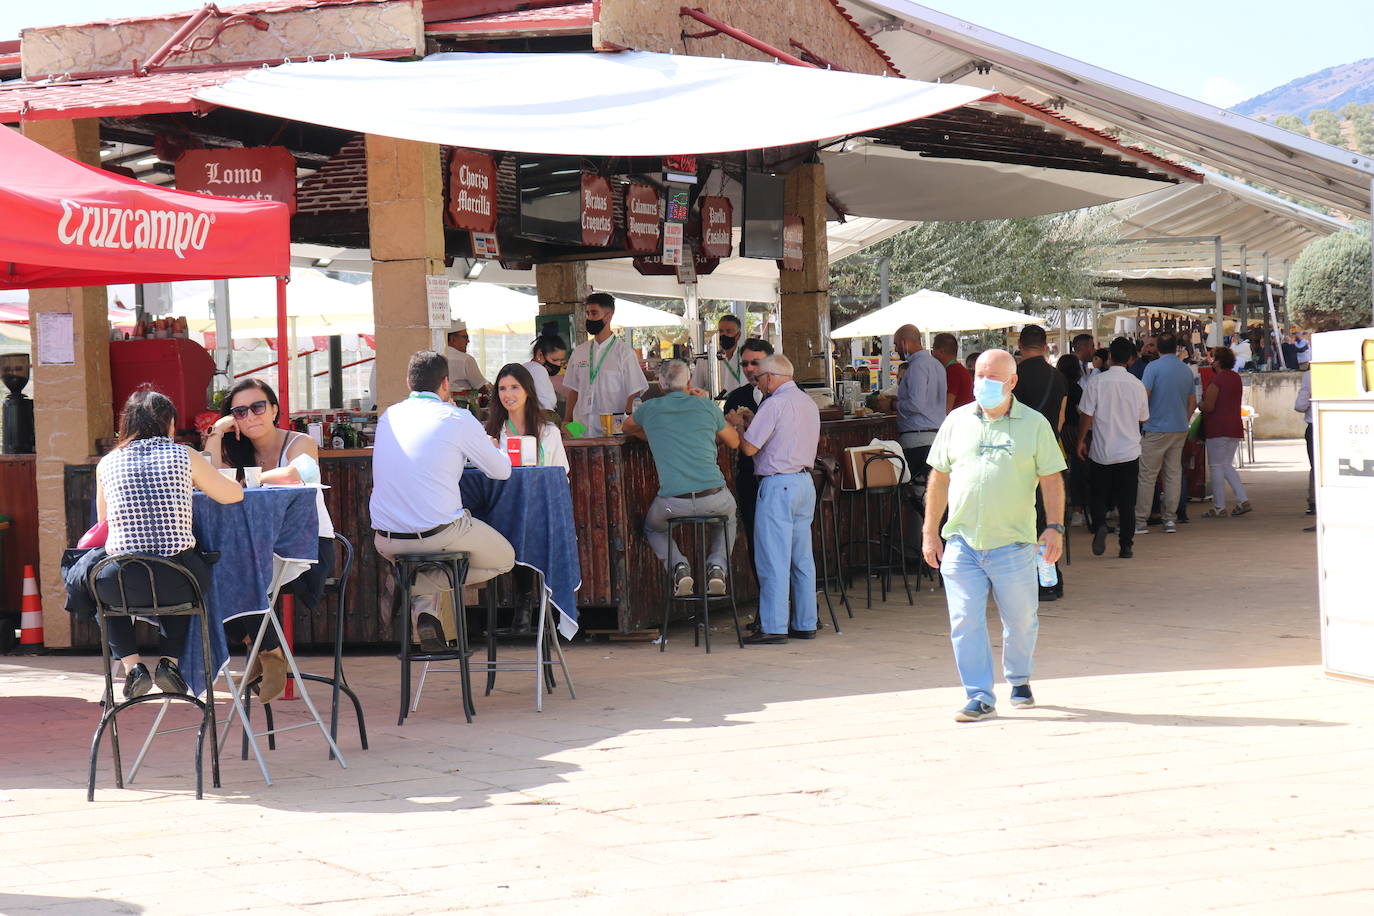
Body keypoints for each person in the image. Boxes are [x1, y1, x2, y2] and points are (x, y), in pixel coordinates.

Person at [64, 388, 243, 699]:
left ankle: (132, 666)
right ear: (169, 423)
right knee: (185, 567)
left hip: (120, 580)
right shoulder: (183, 454)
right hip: (178, 580)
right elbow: (231, 495)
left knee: (91, 584)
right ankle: (169, 663)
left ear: (127, 424)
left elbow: (105, 522)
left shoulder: (107, 463)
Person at [921, 349, 1066, 722]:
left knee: (1021, 620)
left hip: (1014, 544)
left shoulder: (1034, 424)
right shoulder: (956, 421)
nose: (982, 384)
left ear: (1012, 382)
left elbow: (1051, 479)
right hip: (963, 543)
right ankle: (979, 695)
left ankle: (1018, 678)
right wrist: (930, 532)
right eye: (978, 376)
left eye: (992, 378)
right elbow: (938, 478)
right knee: (964, 620)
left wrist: (1054, 527)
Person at [371, 350, 516, 649]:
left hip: (386, 541)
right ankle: (418, 585)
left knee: (431, 562)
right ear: (446, 383)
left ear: (407, 382)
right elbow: (501, 471)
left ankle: (420, 599)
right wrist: (490, 444)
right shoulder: (457, 418)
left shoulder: (388, 416)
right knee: (505, 559)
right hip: (439, 534)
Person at [206, 378, 336, 703]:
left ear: (274, 409)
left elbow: (297, 473)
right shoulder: (235, 450)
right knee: (206, 572)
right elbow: (208, 478)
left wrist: (247, 480)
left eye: (257, 407)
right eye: (239, 411)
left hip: (306, 546)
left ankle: (265, 650)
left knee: (232, 570)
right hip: (256, 550)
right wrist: (216, 432)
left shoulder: (300, 442)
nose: (250, 416)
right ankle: (265, 650)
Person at [624, 359, 741, 596]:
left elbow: (627, 427)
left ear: (659, 384)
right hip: (714, 498)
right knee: (728, 518)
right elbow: (734, 441)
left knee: (654, 529)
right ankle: (717, 567)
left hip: (672, 504)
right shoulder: (707, 407)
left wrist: (654, 436)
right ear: (689, 382)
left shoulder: (649, 408)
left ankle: (679, 566)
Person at [728, 354, 820, 644]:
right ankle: (805, 622)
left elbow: (750, 449)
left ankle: (774, 626)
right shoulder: (807, 402)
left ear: (771, 377)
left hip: (778, 484)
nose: (758, 383)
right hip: (804, 483)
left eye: (760, 378)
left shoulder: (773, 403)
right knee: (802, 558)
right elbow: (783, 436)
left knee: (773, 559)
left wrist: (739, 425)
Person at [1078, 337, 1149, 559]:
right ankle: (1126, 545)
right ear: (1130, 359)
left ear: (1109, 357)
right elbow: (1143, 418)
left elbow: (1087, 415)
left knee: (1098, 494)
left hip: (1102, 450)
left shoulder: (1096, 383)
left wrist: (1081, 440)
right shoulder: (1137, 385)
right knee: (1127, 500)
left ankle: (1100, 523)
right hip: (1129, 450)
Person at [1011, 325, 1068, 599]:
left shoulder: (1013, 377)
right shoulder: (1058, 377)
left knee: (1024, 518)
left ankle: (1033, 579)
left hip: (1019, 456)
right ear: (1046, 346)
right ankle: (1050, 578)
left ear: (1020, 345)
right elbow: (1061, 419)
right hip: (1049, 453)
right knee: (1048, 517)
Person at [1133, 332, 1197, 536]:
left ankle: (1140, 521)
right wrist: (1183, 421)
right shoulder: (1185, 370)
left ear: (1158, 348)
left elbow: (1145, 397)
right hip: (1178, 429)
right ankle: (1170, 519)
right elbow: (1192, 402)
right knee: (1173, 474)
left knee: (1147, 476)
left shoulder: (1152, 368)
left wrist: (1142, 421)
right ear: (1176, 348)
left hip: (1155, 428)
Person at [723, 338, 774, 568]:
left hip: (781, 478)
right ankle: (766, 599)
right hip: (749, 476)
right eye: (745, 364)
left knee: (786, 543)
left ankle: (793, 599)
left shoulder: (785, 395)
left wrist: (746, 425)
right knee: (756, 539)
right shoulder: (735, 398)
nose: (750, 369)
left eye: (756, 363)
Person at [564, 292, 649, 432]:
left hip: (610, 429)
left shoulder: (624, 353)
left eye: (594, 313)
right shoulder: (579, 351)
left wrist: (623, 424)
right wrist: (567, 421)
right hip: (580, 428)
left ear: (608, 316)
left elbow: (634, 392)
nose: (589, 318)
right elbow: (574, 390)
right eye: (587, 313)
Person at [485, 363, 569, 473]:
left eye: (515, 387)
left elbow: (561, 476)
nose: (508, 394)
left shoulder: (549, 432)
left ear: (527, 390)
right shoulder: (490, 433)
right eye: (502, 389)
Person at [1200, 346, 1252, 517]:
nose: (1211, 362)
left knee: (1215, 466)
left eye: (1213, 359)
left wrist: (1200, 404)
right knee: (1226, 465)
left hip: (1217, 427)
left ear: (1219, 362)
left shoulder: (1217, 380)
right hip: (1234, 427)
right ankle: (1242, 499)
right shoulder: (1236, 378)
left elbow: (1209, 405)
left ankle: (1219, 506)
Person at [893, 323, 946, 481]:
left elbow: (916, 404)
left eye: (896, 344)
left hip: (918, 440)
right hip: (937, 437)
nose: (895, 350)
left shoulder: (917, 367)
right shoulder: (937, 365)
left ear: (904, 343)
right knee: (931, 493)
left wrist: (893, 405)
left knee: (918, 493)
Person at [1056, 354, 1088, 519]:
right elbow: (1082, 412)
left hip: (1057, 431)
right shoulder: (1076, 389)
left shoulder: (1055, 385)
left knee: (1057, 469)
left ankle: (1058, 509)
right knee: (1078, 469)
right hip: (1074, 431)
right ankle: (1077, 508)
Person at [691, 314, 745, 397]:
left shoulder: (745, 358)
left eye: (728, 331)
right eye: (721, 331)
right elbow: (695, 388)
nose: (723, 335)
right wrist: (707, 395)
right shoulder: (705, 359)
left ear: (738, 335)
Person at [523, 333, 568, 413]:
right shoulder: (539, 370)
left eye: (561, 360)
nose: (558, 364)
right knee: (578, 425)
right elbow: (546, 410)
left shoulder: (526, 367)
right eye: (554, 360)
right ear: (539, 354)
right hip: (542, 422)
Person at [931, 332, 973, 411]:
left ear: (941, 352)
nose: (932, 354)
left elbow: (947, 406)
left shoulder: (952, 371)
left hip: (957, 419)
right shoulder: (960, 369)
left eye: (933, 350)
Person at [445, 320, 489, 395]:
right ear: (453, 339)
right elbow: (480, 386)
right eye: (465, 337)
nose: (468, 341)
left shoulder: (439, 355)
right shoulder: (466, 359)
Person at [1295, 368, 1314, 516]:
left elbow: (1301, 405)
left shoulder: (1310, 375)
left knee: (1316, 466)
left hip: (1314, 426)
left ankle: (1314, 501)